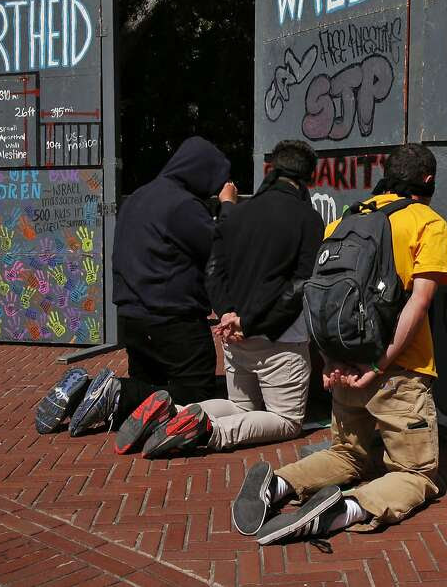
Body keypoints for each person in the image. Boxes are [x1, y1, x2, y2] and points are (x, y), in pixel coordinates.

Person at [232, 143, 447, 544]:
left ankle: (279, 485)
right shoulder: (427, 221)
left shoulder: (346, 221)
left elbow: (320, 297)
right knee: (416, 474)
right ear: (427, 180)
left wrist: (332, 363)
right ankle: (345, 509)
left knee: (347, 454)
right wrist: (379, 364)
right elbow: (418, 303)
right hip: (397, 372)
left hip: (343, 365)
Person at [115, 140, 325, 458]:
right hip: (276, 336)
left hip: (229, 335)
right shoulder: (306, 218)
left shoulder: (235, 215)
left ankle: (175, 410)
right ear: (307, 177)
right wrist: (252, 322)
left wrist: (227, 313)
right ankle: (209, 429)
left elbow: (214, 268)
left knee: (239, 405)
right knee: (287, 421)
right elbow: (299, 284)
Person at [34, 137, 237, 436]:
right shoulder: (182, 205)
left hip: (133, 316)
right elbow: (221, 247)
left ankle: (87, 393)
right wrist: (228, 205)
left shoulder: (139, 198)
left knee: (151, 391)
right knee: (197, 395)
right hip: (173, 318)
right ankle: (114, 392)